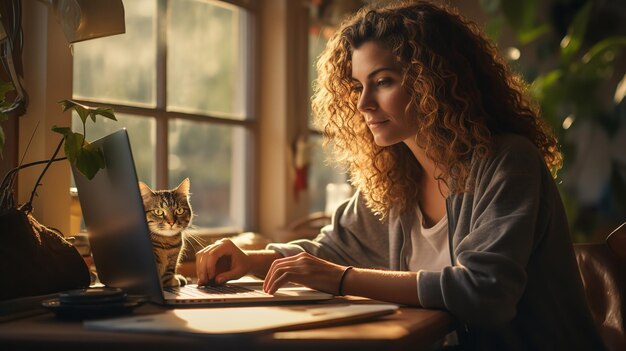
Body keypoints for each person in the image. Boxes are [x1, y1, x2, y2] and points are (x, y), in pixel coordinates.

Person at [195, 1, 606, 349]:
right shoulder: (395, 174)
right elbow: (332, 251)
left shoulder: (508, 162)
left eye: (383, 81)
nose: (363, 104)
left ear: (435, 83)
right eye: (357, 86)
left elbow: (486, 293)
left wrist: (342, 280)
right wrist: (253, 259)